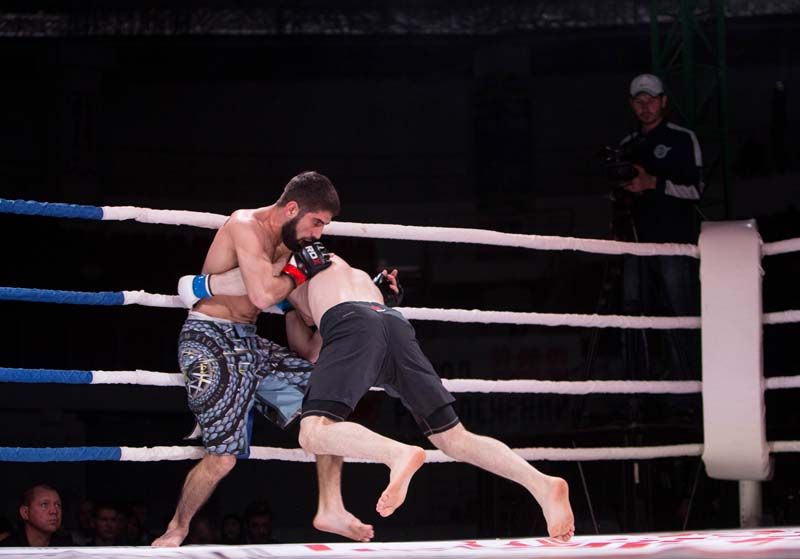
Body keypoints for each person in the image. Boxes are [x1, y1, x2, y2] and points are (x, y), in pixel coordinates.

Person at [152, 171, 375, 546]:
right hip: (209, 337)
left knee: (327, 399)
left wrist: (367, 302)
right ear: (292, 208)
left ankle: (331, 508)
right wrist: (297, 273)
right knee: (223, 458)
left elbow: (310, 345)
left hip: (250, 342)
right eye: (316, 222)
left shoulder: (293, 248)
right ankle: (178, 527)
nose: (318, 233)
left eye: (324, 225)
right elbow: (260, 295)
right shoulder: (245, 225)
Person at [287, 255, 575, 541]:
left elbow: (299, 335)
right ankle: (543, 485)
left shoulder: (286, 265)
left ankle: (397, 454)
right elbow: (318, 345)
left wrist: (286, 306)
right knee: (454, 438)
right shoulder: (344, 271)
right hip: (389, 320)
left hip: (352, 323)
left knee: (313, 432)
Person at [618, 73, 704, 377]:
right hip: (635, 244)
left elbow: (696, 191)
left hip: (673, 243)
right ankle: (637, 389)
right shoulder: (626, 145)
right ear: (632, 104)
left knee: (679, 311)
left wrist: (653, 183)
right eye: (639, 101)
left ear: (663, 101)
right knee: (632, 313)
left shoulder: (682, 138)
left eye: (651, 100)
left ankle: (686, 387)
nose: (645, 107)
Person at [1, 484, 73, 547]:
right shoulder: (6, 550)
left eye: (58, 505)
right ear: (25, 512)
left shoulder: (69, 548)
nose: (54, 511)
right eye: (44, 504)